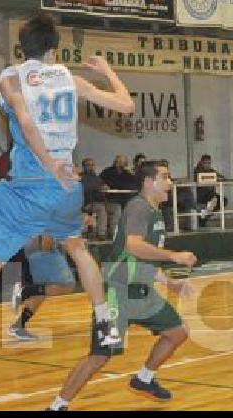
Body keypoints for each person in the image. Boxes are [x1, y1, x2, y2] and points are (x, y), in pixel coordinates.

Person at [0, 12, 136, 406]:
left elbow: (24, 119)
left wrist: (47, 163)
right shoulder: (70, 78)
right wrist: (108, 71)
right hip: (66, 190)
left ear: (24, 48)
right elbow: (125, 104)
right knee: (78, 248)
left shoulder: (11, 77)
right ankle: (105, 322)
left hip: (30, 189)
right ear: (55, 48)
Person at [49, 161, 197, 411]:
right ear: (149, 182)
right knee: (100, 355)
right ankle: (57, 406)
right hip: (118, 292)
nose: (171, 182)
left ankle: (144, 379)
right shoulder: (138, 207)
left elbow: (140, 258)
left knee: (177, 332)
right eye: (165, 177)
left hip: (140, 290)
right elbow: (133, 246)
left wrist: (169, 282)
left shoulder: (154, 211)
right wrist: (174, 256)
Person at [7, 233, 77, 342]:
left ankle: (18, 326)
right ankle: (24, 292)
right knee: (67, 285)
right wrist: (46, 247)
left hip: (35, 246)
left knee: (41, 293)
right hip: (44, 246)